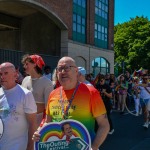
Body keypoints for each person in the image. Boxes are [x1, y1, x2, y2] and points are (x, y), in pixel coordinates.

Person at [32, 56, 109, 150]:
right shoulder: (53, 94)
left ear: (76, 71)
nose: (63, 72)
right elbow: (48, 122)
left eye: (67, 68)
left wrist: (94, 146)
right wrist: (39, 132)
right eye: (59, 69)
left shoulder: (91, 92)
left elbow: (104, 125)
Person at [0, 62, 37, 150]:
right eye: (0, 74)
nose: (2, 77)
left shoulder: (25, 94)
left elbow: (32, 124)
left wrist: (30, 147)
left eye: (6, 73)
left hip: (19, 147)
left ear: (15, 75)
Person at [21, 54, 54, 125]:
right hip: (23, 120)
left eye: (27, 64)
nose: (24, 66)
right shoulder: (25, 80)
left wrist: (46, 124)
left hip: (38, 122)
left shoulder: (47, 83)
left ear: (35, 64)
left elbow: (49, 107)